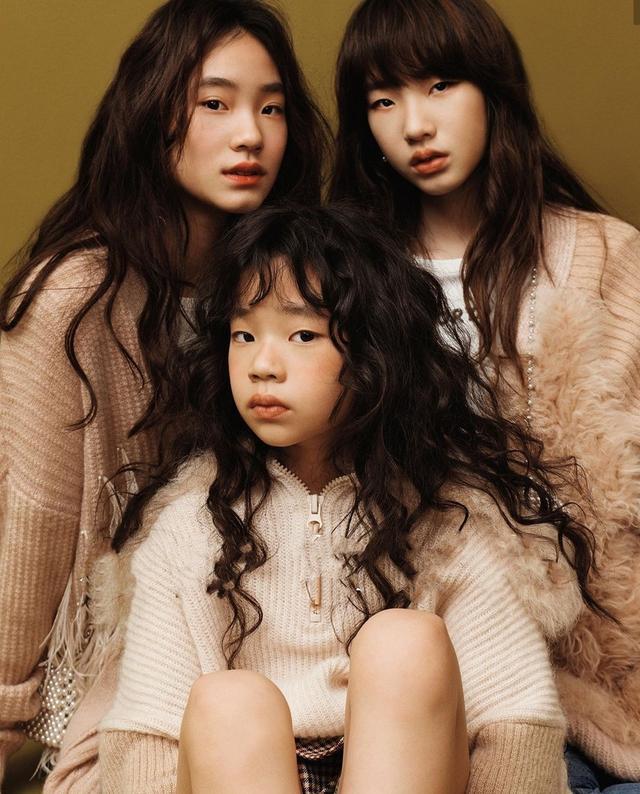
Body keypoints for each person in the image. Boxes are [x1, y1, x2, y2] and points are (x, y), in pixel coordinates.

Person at [97, 203, 603, 793]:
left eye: (302, 335)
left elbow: (513, 719)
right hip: (245, 776)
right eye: (243, 335)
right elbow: (146, 738)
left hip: (411, 773)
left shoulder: (449, 514)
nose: (262, 365)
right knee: (228, 701)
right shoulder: (190, 524)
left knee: (404, 642)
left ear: (373, 353)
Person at [0, 0, 330, 788]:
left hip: (284, 644)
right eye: (214, 104)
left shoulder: (301, 279)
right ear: (153, 115)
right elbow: (33, 522)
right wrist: (6, 708)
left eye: (272, 108)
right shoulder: (75, 296)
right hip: (139, 664)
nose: (250, 135)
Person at [332, 0, 640, 788]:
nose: (415, 125)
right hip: (435, 669)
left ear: (493, 88)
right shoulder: (342, 276)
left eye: (440, 85)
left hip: (605, 665)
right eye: (383, 101)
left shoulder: (605, 256)